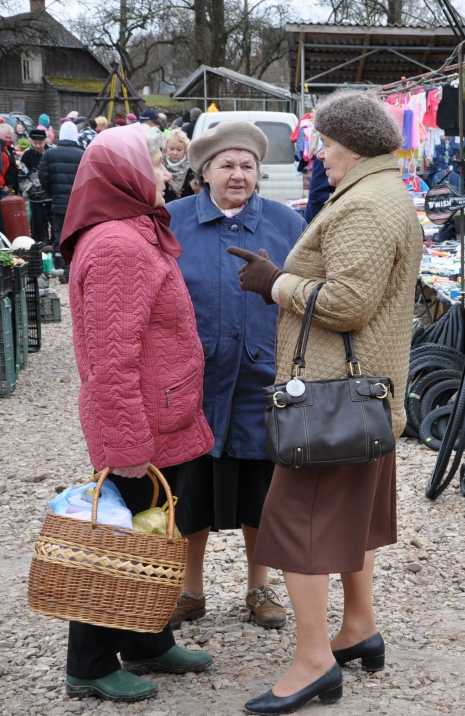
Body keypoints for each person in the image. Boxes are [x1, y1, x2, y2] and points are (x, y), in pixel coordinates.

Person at [229, 89, 422, 715]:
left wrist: (275, 283)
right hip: (362, 400)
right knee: (352, 519)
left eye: (327, 144)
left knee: (296, 524)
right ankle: (358, 627)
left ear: (354, 146)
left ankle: (314, 662)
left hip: (331, 403)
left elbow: (348, 303)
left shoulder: (365, 204)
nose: (319, 155)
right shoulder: (382, 191)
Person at [59, 123, 215, 704]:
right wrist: (126, 447)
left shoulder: (133, 233)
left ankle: (148, 640)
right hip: (141, 429)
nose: (168, 175)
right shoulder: (117, 246)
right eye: (157, 165)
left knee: (150, 537)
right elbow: (110, 361)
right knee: (117, 545)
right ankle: (90, 664)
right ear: (125, 174)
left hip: (161, 419)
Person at [166, 121, 306, 633]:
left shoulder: (286, 223)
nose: (238, 174)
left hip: (259, 379)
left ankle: (258, 586)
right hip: (194, 380)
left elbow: (305, 290)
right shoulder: (173, 221)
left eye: (248, 165)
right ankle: (190, 589)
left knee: (260, 492)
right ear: (204, 173)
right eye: (226, 164)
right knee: (190, 489)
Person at [39, 122, 85, 280]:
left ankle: (64, 271)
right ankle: (78, 271)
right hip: (78, 205)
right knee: (78, 237)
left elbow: (43, 177)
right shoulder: (83, 154)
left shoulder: (49, 154)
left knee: (60, 237)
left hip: (58, 203)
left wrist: (53, 193)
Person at [19, 128, 52, 243]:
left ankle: (54, 245)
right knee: (37, 224)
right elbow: (22, 176)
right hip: (36, 198)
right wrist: (31, 190)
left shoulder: (52, 152)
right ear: (31, 142)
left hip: (52, 196)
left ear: (45, 141)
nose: (38, 146)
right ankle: (39, 245)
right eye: (35, 143)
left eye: (40, 143)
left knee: (54, 223)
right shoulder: (27, 155)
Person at [161, 129, 193, 204]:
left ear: (185, 150)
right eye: (171, 149)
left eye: (179, 150)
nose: (175, 153)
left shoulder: (191, 165)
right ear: (166, 147)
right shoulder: (159, 162)